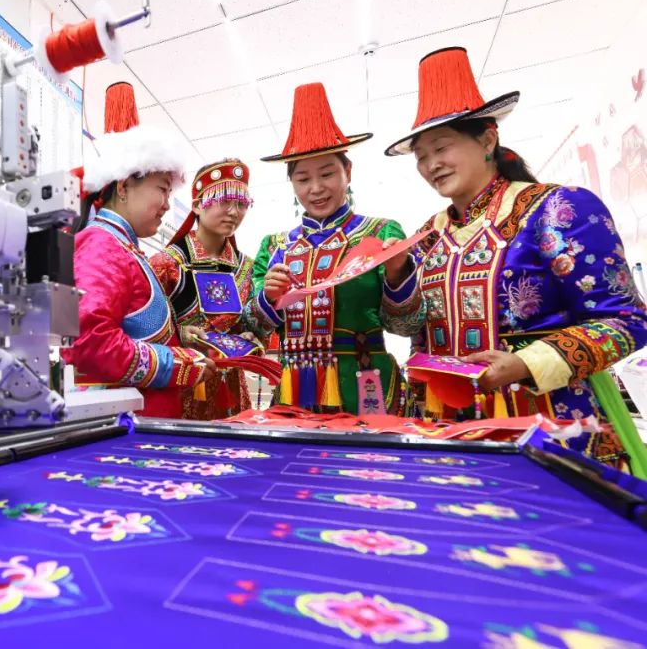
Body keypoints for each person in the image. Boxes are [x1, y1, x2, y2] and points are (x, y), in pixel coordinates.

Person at [385, 46, 647, 465]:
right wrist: (397, 277)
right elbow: (406, 327)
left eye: (442, 148)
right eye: (421, 157)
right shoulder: (427, 235)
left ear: (487, 139)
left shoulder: (558, 209)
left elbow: (627, 320)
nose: (432, 165)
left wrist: (526, 363)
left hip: (551, 425)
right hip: (448, 429)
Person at [248, 83, 423, 415]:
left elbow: (407, 326)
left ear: (348, 172)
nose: (316, 188)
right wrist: (268, 298)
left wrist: (398, 273)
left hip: (366, 385)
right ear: (292, 184)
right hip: (295, 389)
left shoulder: (381, 233)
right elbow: (255, 326)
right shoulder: (274, 247)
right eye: (303, 179)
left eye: (327, 173)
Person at [63, 83, 214, 418]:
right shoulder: (102, 244)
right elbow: (90, 343)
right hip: (129, 428)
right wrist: (177, 364)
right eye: (162, 189)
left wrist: (179, 339)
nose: (167, 204)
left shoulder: (122, 247)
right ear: (123, 187)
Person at [150, 158, 266, 419]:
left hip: (232, 389)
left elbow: (251, 326)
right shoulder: (167, 264)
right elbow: (143, 331)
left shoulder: (247, 267)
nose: (234, 212)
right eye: (224, 201)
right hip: (182, 385)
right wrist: (179, 334)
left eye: (241, 203)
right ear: (196, 205)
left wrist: (249, 336)